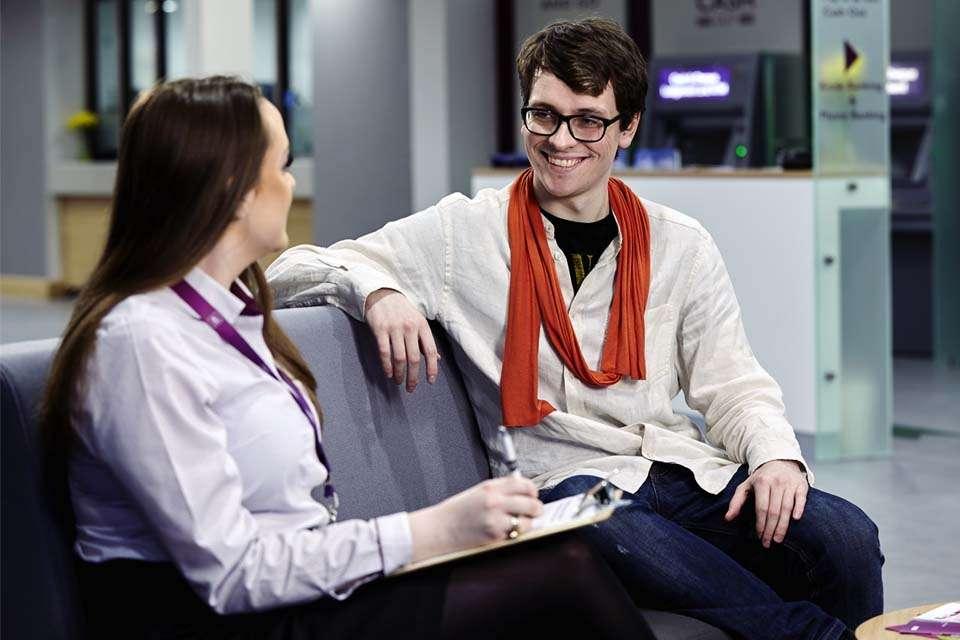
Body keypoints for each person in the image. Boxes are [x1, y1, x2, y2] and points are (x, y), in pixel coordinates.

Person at [267, 17, 884, 640]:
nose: (561, 139)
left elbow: (733, 384)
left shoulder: (680, 244)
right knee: (601, 518)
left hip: (680, 468)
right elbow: (293, 268)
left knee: (847, 536)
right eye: (544, 115)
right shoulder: (464, 234)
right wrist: (377, 290)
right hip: (565, 485)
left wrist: (775, 457)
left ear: (628, 128)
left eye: (588, 120)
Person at [40, 76, 655, 640]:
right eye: (282, 167)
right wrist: (435, 531)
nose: (291, 184)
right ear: (233, 190)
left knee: (559, 558)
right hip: (227, 620)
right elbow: (232, 575)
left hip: (297, 591)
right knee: (563, 573)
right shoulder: (143, 343)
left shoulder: (231, 314)